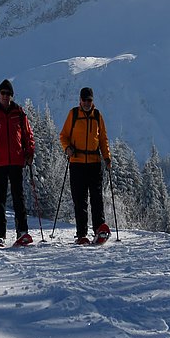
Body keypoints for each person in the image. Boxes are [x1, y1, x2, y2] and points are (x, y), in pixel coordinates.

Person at [0, 79, 35, 246]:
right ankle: (0, 235)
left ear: (11, 96)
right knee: (0, 200)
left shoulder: (19, 113)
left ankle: (22, 232)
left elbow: (28, 136)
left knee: (19, 198)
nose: (5, 96)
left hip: (16, 161)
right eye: (3, 93)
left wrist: (29, 153)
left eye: (8, 93)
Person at [59, 87, 111, 244]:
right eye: (85, 100)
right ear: (80, 100)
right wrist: (67, 148)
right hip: (77, 163)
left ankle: (99, 230)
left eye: (89, 100)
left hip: (95, 163)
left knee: (97, 199)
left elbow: (103, 139)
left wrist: (107, 157)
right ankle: (81, 234)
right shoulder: (73, 114)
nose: (87, 103)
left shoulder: (97, 116)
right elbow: (63, 136)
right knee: (80, 200)